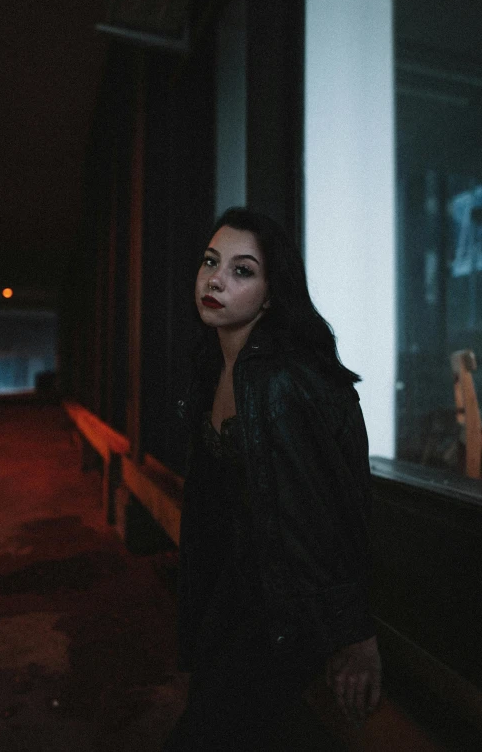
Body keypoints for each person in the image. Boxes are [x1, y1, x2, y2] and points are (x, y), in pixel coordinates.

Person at [164, 207, 381, 751]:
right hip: (229, 599)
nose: (215, 279)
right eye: (211, 262)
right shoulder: (211, 362)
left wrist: (354, 635)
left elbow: (331, 510)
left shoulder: (282, 381)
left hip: (279, 615)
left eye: (243, 271)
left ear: (270, 293)